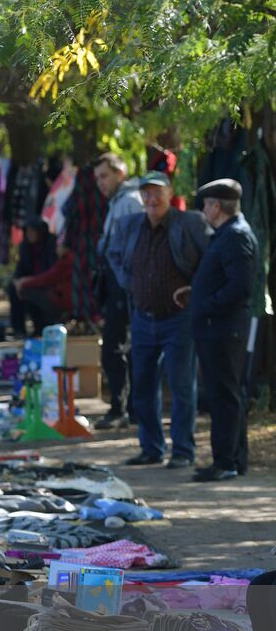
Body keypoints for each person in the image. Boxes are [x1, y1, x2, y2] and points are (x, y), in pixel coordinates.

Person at [105, 171, 210, 469]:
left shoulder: (189, 223)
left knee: (180, 385)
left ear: (169, 193)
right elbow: (112, 255)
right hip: (143, 316)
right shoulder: (129, 225)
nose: (152, 199)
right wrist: (129, 281)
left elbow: (211, 257)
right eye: (146, 193)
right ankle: (151, 447)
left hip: (178, 318)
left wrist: (195, 287)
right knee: (143, 386)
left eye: (157, 193)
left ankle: (183, 450)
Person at [179, 179, 256, 482]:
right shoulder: (227, 234)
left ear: (217, 206)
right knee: (226, 395)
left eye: (208, 203)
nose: (204, 209)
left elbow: (240, 285)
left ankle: (226, 461)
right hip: (217, 328)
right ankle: (233, 459)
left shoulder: (235, 236)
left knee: (224, 397)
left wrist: (208, 304)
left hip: (222, 330)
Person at [94, 154, 142, 428]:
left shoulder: (130, 202)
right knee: (115, 345)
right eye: (98, 178)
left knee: (119, 346)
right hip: (116, 285)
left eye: (105, 176)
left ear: (120, 174)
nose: (101, 183)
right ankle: (123, 407)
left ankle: (125, 408)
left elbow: (135, 249)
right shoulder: (116, 202)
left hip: (126, 285)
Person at [8, 220, 58, 337]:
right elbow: (20, 268)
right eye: (28, 232)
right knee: (13, 289)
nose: (30, 235)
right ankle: (19, 330)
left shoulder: (50, 244)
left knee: (29, 290)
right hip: (30, 283)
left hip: (47, 285)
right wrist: (17, 281)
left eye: (32, 232)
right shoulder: (25, 246)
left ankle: (41, 327)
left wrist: (28, 281)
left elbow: (51, 272)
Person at [13, 245, 75, 326]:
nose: (56, 250)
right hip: (67, 299)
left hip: (66, 303)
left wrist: (23, 282)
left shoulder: (66, 261)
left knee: (27, 290)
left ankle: (43, 324)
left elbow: (46, 278)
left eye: (58, 247)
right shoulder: (69, 259)